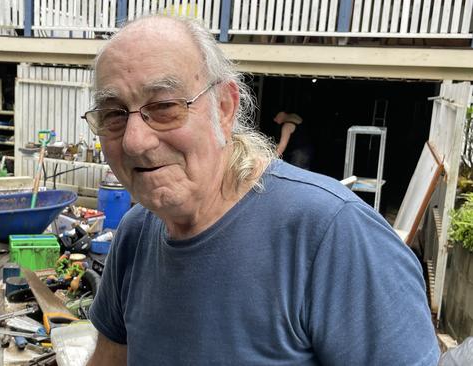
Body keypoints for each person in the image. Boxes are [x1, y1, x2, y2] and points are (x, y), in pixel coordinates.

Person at [82, 15, 439, 365]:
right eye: (113, 114)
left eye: (163, 107)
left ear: (224, 107)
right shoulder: (134, 233)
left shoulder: (333, 235)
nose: (134, 141)